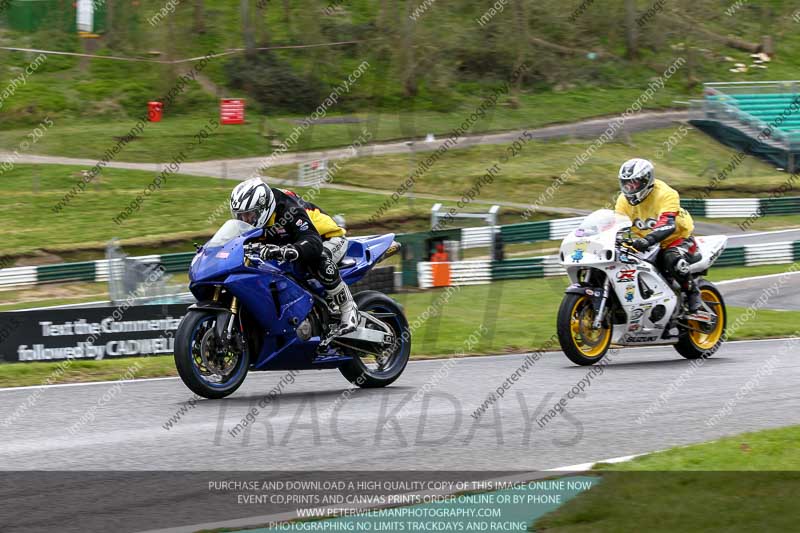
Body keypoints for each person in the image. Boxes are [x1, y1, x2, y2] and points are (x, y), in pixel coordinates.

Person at [229, 178, 358, 335]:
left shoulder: (288, 210)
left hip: (327, 238)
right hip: (290, 243)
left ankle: (348, 308)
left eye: (249, 215)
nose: (245, 220)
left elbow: (313, 242)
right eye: (240, 216)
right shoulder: (253, 219)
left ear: (263, 208)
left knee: (317, 258)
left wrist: (294, 249)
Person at [614, 158, 702, 313]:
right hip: (646, 243)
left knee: (671, 258)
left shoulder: (666, 194)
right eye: (626, 183)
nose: (630, 187)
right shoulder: (622, 200)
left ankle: (693, 292)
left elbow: (667, 223)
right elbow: (616, 224)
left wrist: (647, 240)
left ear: (646, 180)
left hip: (677, 239)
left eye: (634, 183)